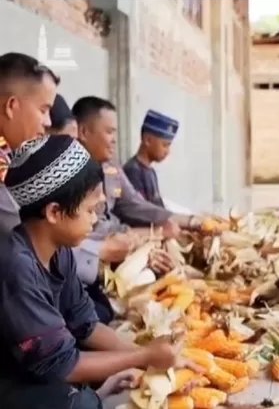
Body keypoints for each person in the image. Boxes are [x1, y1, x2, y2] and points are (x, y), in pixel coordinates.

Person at [0, 134, 183, 409]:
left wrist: (154, 358)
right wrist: (143, 356)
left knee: (98, 372)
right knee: (80, 402)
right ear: (54, 212)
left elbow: (85, 325)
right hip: (9, 381)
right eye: (90, 210)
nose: (96, 219)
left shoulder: (60, 252)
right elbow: (62, 366)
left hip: (37, 369)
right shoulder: (17, 267)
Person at [71, 96, 199, 324]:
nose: (114, 141)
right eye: (109, 132)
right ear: (83, 132)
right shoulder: (68, 174)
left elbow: (134, 204)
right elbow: (91, 231)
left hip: (120, 249)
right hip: (95, 260)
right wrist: (146, 236)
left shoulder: (111, 168)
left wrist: (191, 221)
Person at [0, 52, 59, 233]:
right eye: (43, 110)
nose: (48, 122)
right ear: (11, 106)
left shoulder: (9, 155)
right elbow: (23, 234)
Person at [123, 110, 178, 208]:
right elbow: (141, 210)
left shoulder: (150, 171)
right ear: (148, 140)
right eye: (165, 145)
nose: (168, 151)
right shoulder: (132, 171)